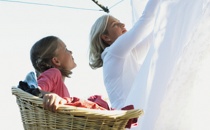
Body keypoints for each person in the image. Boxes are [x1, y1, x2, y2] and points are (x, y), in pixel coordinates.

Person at [88, 0, 161, 109]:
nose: (122, 24)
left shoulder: (125, 56)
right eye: (115, 25)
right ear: (106, 37)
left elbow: (154, 36)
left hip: (134, 116)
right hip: (128, 120)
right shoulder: (112, 53)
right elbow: (146, 20)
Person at [30, 35, 109, 112]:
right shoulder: (54, 73)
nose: (71, 52)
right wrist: (48, 95)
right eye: (66, 49)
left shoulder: (61, 86)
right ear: (56, 61)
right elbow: (33, 91)